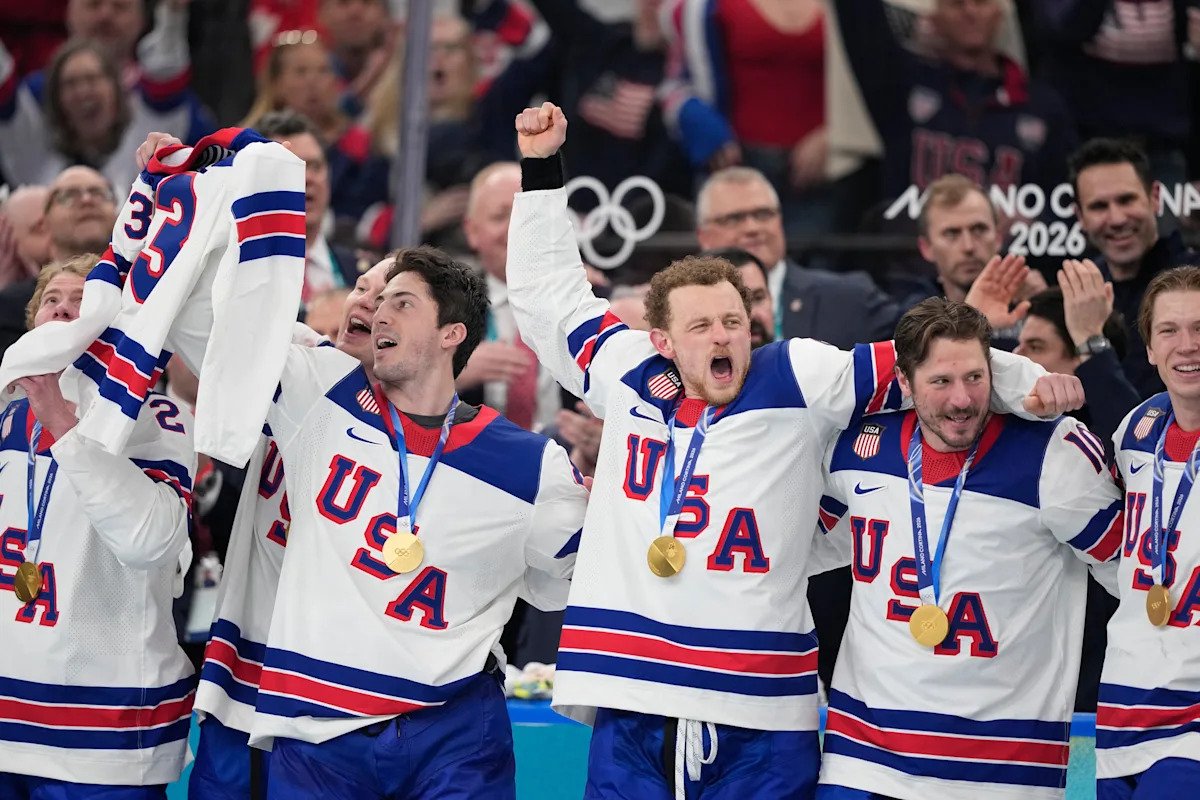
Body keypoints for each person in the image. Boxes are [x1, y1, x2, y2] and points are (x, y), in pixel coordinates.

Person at [508, 101, 1082, 800]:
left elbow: (922, 362)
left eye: (734, 320)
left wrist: (1026, 386)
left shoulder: (799, 374)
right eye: (702, 326)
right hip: (635, 690)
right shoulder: (625, 369)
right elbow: (547, 298)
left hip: (760, 703)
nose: (724, 336)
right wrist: (541, 169)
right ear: (661, 339)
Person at [228, 247, 587, 800]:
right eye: (377, 300)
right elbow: (219, 323)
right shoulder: (321, 389)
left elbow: (578, 577)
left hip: (454, 735)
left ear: (452, 333)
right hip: (316, 728)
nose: (380, 314)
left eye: (402, 302)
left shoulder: (530, 465)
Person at [813, 298, 1123, 799]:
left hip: (1000, 770)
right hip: (864, 763)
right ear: (906, 382)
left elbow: (1135, 575)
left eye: (976, 378)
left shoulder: (1053, 453)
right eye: (941, 382)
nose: (962, 399)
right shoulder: (854, 446)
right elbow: (799, 547)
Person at [189, 260, 393, 800]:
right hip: (244, 669)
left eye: (393, 296)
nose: (365, 302)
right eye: (362, 287)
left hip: (335, 693)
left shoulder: (433, 437)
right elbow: (223, 316)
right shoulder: (300, 372)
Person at [0, 254, 198, 798]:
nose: (65, 311)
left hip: (103, 733)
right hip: (7, 718)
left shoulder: (156, 416)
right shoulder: (4, 415)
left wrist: (64, 426)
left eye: (83, 302)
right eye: (52, 301)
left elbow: (150, 541)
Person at [1095, 266, 1200, 799]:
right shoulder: (1137, 432)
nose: (1188, 346)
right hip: (1123, 709)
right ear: (1151, 350)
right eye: (1170, 331)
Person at [832, 0, 1076, 201]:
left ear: (1001, 14)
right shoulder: (902, 85)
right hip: (913, 252)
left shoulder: (1042, 107)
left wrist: (1034, 221)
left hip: (1009, 255)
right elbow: (860, 17)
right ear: (934, 19)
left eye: (981, 2)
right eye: (956, 3)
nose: (969, 11)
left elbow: (1065, 200)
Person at [694, 165, 899, 348]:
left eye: (763, 214)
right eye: (734, 219)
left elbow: (919, 338)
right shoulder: (681, 307)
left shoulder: (850, 298)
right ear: (703, 236)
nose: (752, 227)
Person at [1069, 137, 1199, 398]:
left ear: (1155, 198)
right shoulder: (1077, 292)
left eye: (1126, 200)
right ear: (1080, 216)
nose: (1116, 218)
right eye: (1099, 206)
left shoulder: (1195, 279)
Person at [457, 161, 557, 432]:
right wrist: (451, 374)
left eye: (524, 214)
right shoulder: (446, 303)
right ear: (472, 232)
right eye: (500, 216)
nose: (515, 228)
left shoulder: (585, 297)